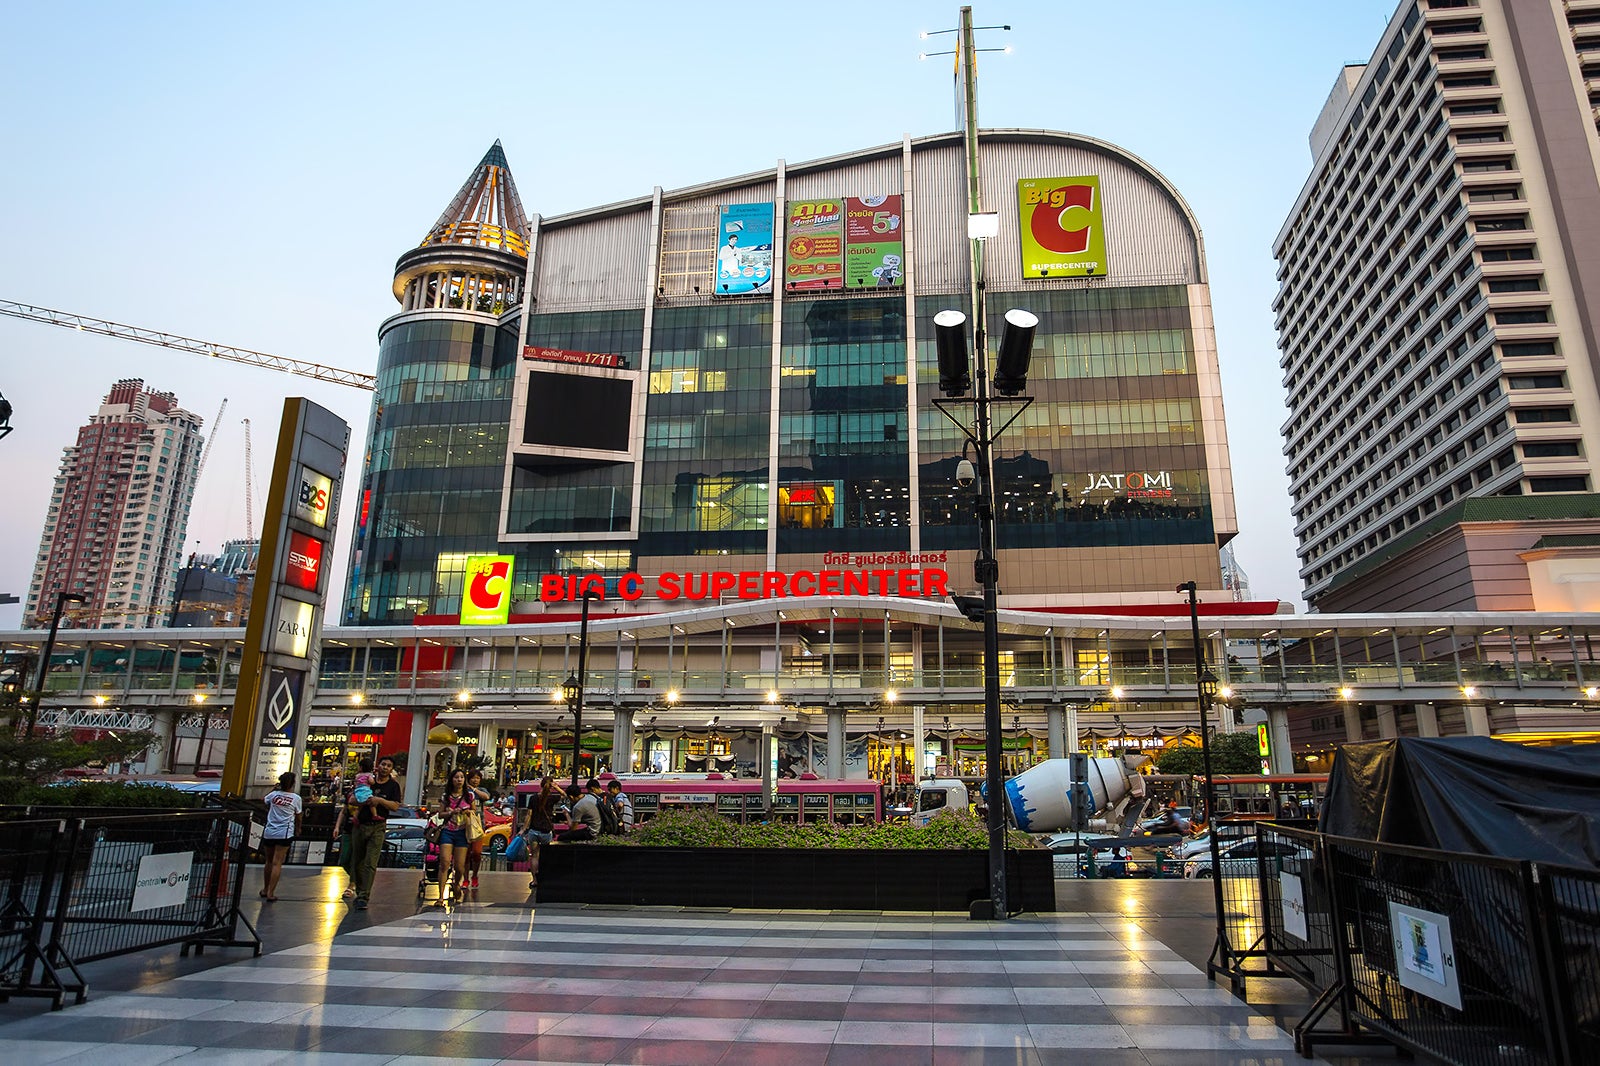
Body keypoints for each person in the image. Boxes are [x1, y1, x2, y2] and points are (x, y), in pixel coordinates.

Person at [347, 755, 402, 910]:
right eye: (383, 764)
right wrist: (363, 801)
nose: (385, 767)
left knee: (370, 862)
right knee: (357, 861)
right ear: (377, 766)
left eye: (389, 766)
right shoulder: (366, 779)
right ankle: (359, 890)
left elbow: (395, 806)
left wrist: (379, 801)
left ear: (392, 769)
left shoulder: (393, 786)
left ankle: (364, 896)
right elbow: (351, 799)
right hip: (360, 825)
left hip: (378, 826)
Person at [330, 758, 374, 901]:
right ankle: (360, 883)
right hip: (348, 830)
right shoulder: (352, 792)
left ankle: (353, 885)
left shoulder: (369, 793)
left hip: (360, 828)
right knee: (344, 859)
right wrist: (337, 826)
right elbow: (344, 811)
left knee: (356, 860)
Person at [260, 771, 302, 902]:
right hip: (284, 833)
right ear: (293, 784)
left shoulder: (273, 795)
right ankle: (271, 893)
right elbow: (299, 815)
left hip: (269, 831)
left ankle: (265, 888)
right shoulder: (296, 799)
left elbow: (264, 800)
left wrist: (275, 788)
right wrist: (298, 828)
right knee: (277, 863)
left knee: (268, 861)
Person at [437, 768, 475, 901]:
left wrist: (467, 812)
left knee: (459, 866)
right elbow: (440, 814)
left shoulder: (469, 796)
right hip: (448, 831)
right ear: (451, 780)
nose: (459, 780)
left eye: (461, 777)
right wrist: (450, 813)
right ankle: (441, 896)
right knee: (444, 862)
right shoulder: (445, 797)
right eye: (456, 777)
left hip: (462, 832)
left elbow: (474, 812)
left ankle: (457, 884)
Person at [521, 775, 561, 889]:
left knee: (534, 856)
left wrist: (524, 829)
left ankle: (534, 880)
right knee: (545, 856)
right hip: (546, 832)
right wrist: (556, 787)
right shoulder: (552, 798)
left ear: (540, 785)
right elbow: (565, 795)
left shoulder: (533, 798)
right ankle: (544, 878)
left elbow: (529, 815)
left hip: (534, 831)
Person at [464, 770, 492, 889]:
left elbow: (486, 797)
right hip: (464, 824)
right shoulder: (463, 790)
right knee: (465, 854)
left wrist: (473, 789)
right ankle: (465, 878)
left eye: (477, 778)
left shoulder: (481, 790)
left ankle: (474, 875)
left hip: (478, 825)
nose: (475, 780)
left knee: (477, 853)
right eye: (473, 778)